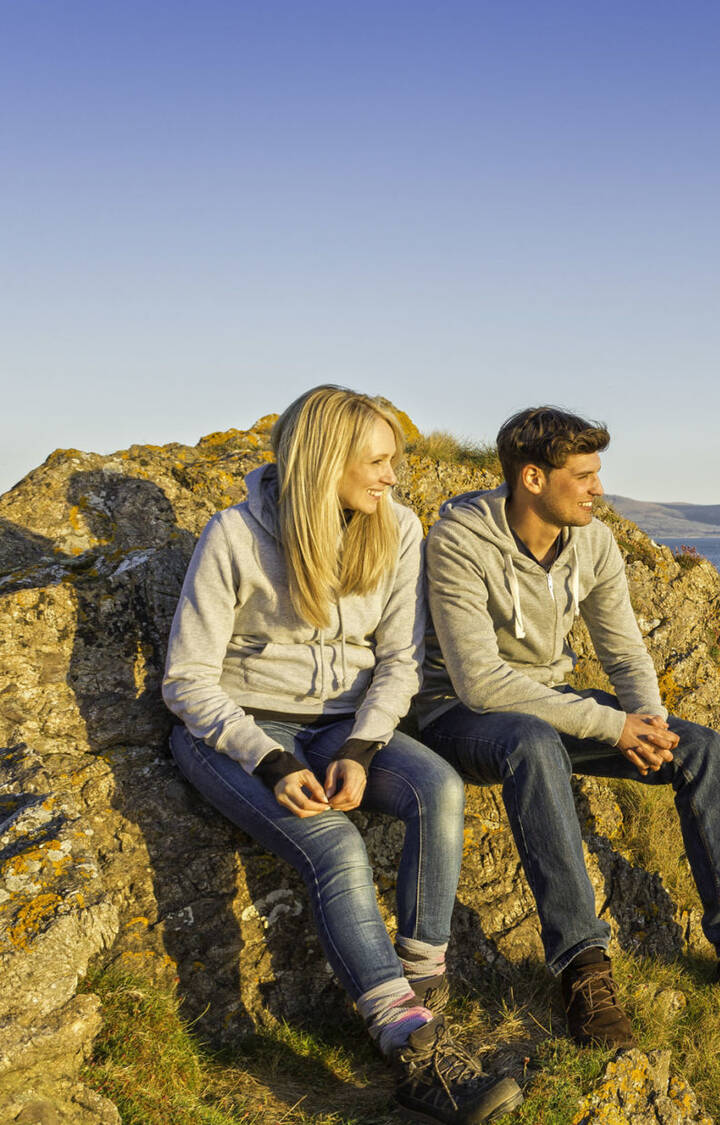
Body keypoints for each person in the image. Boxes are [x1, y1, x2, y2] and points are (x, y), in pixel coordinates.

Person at [415, 405, 720, 1049]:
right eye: (584, 475)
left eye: (598, 473)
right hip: (456, 713)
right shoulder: (459, 539)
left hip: (547, 700)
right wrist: (609, 726)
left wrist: (648, 724)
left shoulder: (592, 539)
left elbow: (622, 652)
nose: (598, 488)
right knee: (532, 744)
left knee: (697, 747)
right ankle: (584, 973)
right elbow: (480, 682)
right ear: (532, 479)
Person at [162, 386, 520, 1125]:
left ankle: (424, 989)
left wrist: (362, 745)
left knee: (440, 789)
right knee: (337, 846)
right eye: (379, 460)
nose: (392, 476)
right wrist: (268, 760)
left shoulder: (397, 529)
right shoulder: (232, 534)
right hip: (238, 730)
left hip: (339, 727)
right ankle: (418, 1058)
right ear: (327, 459)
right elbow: (186, 680)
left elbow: (399, 661)